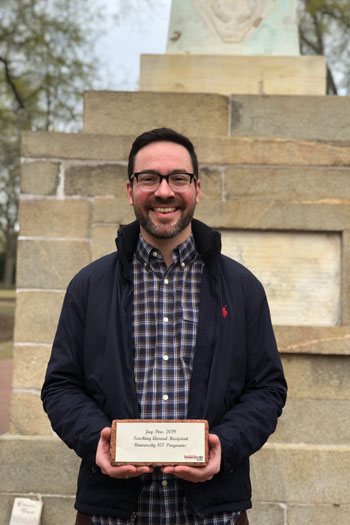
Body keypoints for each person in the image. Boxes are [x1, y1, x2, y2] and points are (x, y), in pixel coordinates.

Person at [42, 127, 287, 525]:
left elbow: (267, 388)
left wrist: (224, 446)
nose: (164, 191)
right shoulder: (88, 286)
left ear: (197, 187)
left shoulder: (242, 289)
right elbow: (61, 386)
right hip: (112, 514)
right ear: (129, 189)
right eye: (149, 178)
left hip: (215, 514)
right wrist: (96, 441)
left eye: (178, 178)